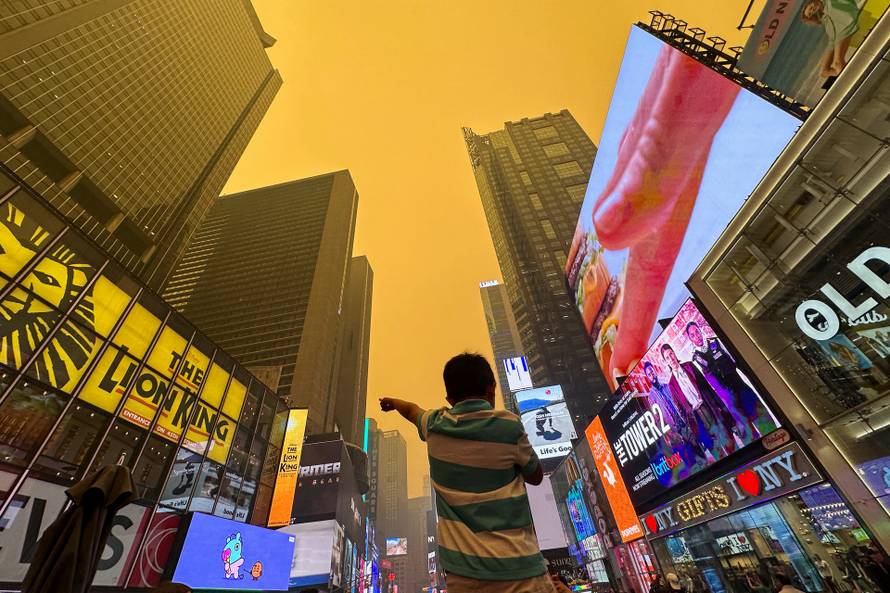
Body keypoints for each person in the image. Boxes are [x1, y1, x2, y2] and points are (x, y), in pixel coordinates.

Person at [379, 353, 553, 593]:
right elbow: (536, 476)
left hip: (464, 578)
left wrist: (392, 402)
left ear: (449, 399)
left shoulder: (434, 425)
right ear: (491, 388)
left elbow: (411, 410)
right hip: (521, 571)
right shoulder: (509, 425)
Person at [686, 321, 766, 443]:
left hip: (739, 385)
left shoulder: (716, 341)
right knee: (747, 429)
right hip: (726, 396)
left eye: (697, 332)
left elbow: (734, 359)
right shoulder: (694, 360)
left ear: (700, 330)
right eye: (692, 335)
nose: (696, 336)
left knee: (760, 417)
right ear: (690, 339)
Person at [800, 0, 866, 78]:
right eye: (810, 14)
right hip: (834, 39)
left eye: (811, 8)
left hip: (844, 28)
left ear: (813, 1)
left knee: (837, 63)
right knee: (822, 72)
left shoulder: (830, 2)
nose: (812, 11)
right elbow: (832, 35)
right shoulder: (825, 18)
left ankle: (855, 76)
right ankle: (847, 72)